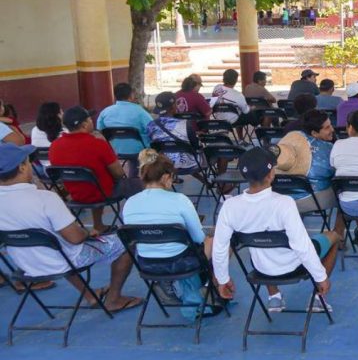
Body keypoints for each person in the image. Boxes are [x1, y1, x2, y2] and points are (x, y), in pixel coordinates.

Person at [0, 143, 142, 312]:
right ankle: (114, 299)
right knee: (126, 241)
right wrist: (87, 233)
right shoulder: (45, 198)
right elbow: (76, 238)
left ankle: (90, 296)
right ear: (22, 167)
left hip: (25, 265)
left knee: (59, 244)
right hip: (60, 260)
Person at [213, 147, 339, 314]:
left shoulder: (230, 206)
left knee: (260, 246)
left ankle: (274, 297)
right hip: (295, 267)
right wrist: (320, 277)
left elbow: (220, 248)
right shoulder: (284, 203)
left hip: (261, 270)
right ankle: (318, 297)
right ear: (271, 174)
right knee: (334, 236)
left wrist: (222, 279)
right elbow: (302, 245)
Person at [122, 149, 220, 316]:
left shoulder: (130, 203)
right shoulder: (179, 200)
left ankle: (168, 283)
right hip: (181, 262)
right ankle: (209, 288)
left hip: (147, 264)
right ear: (166, 177)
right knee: (218, 239)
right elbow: (199, 238)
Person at [49, 106, 143, 234]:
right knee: (138, 184)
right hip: (103, 193)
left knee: (95, 181)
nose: (92, 121)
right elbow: (119, 173)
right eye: (89, 119)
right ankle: (140, 225)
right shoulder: (98, 144)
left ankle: (99, 225)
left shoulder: (55, 146)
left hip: (75, 194)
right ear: (84, 125)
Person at [274, 111, 340, 227]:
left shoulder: (288, 143)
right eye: (327, 128)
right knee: (345, 194)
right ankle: (337, 233)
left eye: (331, 125)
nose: (332, 129)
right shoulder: (327, 149)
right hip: (309, 199)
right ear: (314, 133)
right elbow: (336, 172)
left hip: (281, 198)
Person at [146, 92, 200, 173]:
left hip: (163, 164)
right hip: (187, 165)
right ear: (174, 106)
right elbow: (196, 146)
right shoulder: (185, 124)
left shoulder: (150, 125)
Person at [95, 82, 152, 157]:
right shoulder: (140, 111)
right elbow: (153, 128)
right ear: (131, 95)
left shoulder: (105, 112)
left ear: (115, 96)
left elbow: (100, 131)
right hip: (140, 151)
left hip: (114, 151)